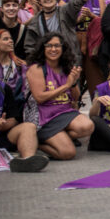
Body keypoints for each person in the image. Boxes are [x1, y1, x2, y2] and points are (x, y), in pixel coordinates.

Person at [25, 32, 94, 160]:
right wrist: (66, 86)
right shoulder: (37, 68)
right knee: (68, 153)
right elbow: (39, 97)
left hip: (64, 112)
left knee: (88, 126)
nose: (53, 49)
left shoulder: (66, 67)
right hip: (44, 117)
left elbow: (76, 97)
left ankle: (58, 137)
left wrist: (73, 83)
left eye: (57, 46)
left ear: (63, 48)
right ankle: (39, 143)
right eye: (49, 46)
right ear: (43, 48)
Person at [23, 0, 91, 61]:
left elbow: (76, 2)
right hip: (46, 63)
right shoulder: (34, 22)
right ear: (39, 1)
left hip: (69, 60)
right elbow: (29, 46)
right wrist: (36, 63)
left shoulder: (65, 12)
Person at [0, 29, 26, 100]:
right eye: (6, 39)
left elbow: (25, 88)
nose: (11, 41)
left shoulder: (19, 64)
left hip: (15, 103)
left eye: (11, 39)